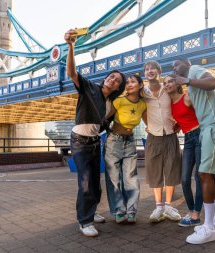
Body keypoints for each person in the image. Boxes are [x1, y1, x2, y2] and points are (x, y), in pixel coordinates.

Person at [65, 28, 126, 237]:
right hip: (80, 141)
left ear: (119, 87)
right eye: (111, 76)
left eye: (117, 80)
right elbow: (72, 73)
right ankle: (84, 221)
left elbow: (115, 121)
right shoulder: (89, 87)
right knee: (85, 180)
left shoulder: (112, 104)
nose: (112, 79)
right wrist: (71, 46)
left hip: (95, 141)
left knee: (95, 182)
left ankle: (92, 211)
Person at [172, 59, 215, 244]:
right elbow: (205, 102)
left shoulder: (194, 70)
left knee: (204, 174)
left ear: (186, 64)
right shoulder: (191, 83)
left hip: (212, 126)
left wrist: (187, 81)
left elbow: (214, 83)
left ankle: (209, 227)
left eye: (176, 65)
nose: (174, 69)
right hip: (212, 125)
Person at [104, 74, 147, 224]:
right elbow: (104, 117)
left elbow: (150, 123)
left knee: (131, 178)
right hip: (113, 141)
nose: (129, 84)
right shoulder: (119, 101)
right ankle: (119, 210)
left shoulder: (142, 104)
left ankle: (131, 211)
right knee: (114, 179)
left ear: (140, 85)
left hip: (130, 142)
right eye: (127, 82)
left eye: (132, 81)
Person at [143, 60, 182, 223]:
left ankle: (168, 206)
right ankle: (158, 207)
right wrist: (149, 125)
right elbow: (141, 111)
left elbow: (180, 103)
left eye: (153, 68)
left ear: (159, 71)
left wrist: (179, 123)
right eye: (147, 69)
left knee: (172, 170)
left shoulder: (168, 88)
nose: (150, 71)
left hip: (171, 135)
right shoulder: (142, 92)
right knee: (155, 172)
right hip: (153, 137)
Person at [163, 74, 203, 227]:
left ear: (177, 82)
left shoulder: (187, 98)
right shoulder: (169, 105)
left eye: (170, 81)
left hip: (199, 135)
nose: (167, 84)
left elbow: (203, 111)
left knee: (198, 176)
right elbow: (182, 119)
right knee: (184, 179)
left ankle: (195, 214)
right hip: (187, 139)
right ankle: (191, 210)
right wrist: (177, 127)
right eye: (165, 83)